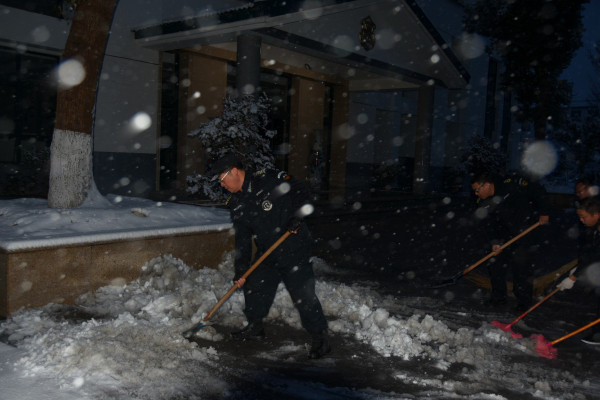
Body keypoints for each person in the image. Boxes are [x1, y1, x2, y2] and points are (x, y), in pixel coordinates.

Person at [209, 153, 330, 359]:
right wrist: (241, 271)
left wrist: (297, 217)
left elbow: (301, 190)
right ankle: (255, 327)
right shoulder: (236, 202)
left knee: (303, 294)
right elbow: (243, 239)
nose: (222, 185)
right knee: (254, 282)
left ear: (234, 172)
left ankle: (321, 338)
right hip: (268, 250)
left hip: (293, 245)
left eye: (222, 180)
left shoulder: (267, 179)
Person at [471, 171, 550, 310]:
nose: (476, 193)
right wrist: (494, 242)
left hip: (525, 232)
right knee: (495, 263)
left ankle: (523, 303)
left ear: (488, 185)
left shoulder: (511, 185)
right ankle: (498, 298)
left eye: (477, 190)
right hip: (504, 236)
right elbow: (488, 224)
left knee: (521, 267)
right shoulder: (484, 203)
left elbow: (537, 190)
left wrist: (544, 211)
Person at [575, 197, 600, 344]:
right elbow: (591, 255)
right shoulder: (594, 231)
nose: (581, 220)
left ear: (596, 215)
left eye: (583, 217)